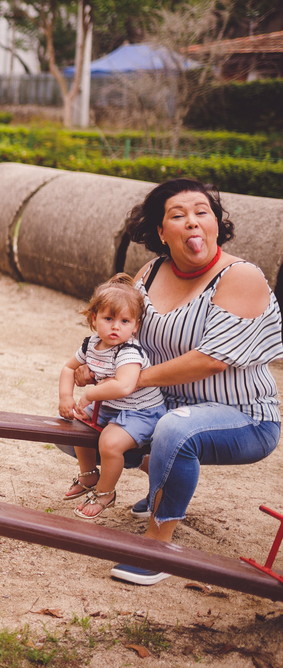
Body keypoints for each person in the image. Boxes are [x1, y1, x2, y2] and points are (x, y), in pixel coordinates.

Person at [79, 178, 282, 586]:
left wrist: (132, 381)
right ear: (160, 231)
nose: (192, 222)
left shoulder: (241, 277)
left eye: (201, 212)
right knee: (83, 422)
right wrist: (93, 365)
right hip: (162, 404)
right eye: (178, 215)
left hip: (243, 416)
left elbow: (210, 360)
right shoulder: (150, 273)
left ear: (215, 224)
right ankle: (161, 478)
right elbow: (120, 331)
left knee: (176, 430)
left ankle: (159, 544)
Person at [58, 274, 165, 520]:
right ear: (94, 319)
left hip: (140, 411)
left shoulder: (129, 351)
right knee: (77, 425)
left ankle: (105, 493)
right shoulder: (91, 344)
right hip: (110, 407)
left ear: (136, 325)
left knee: (110, 443)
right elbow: (68, 368)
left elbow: (124, 386)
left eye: (124, 321)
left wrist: (90, 394)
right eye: (108, 319)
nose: (116, 326)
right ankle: (88, 475)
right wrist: (66, 397)